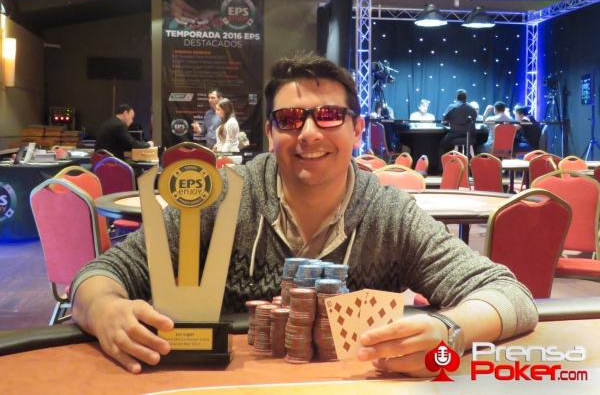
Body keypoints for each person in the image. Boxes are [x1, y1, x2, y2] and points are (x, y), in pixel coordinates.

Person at [71, 56, 536, 376]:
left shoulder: (389, 214)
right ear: (270, 132)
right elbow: (101, 274)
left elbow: (511, 296)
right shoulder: (224, 199)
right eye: (290, 120)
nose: (309, 133)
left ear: (358, 129)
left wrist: (449, 331)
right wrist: (105, 309)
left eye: (329, 115)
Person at [439, 89, 477, 158]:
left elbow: (444, 122)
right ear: (466, 98)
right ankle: (471, 163)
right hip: (470, 136)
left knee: (442, 146)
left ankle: (445, 164)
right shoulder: (472, 108)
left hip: (455, 135)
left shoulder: (452, 107)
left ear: (456, 98)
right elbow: (474, 120)